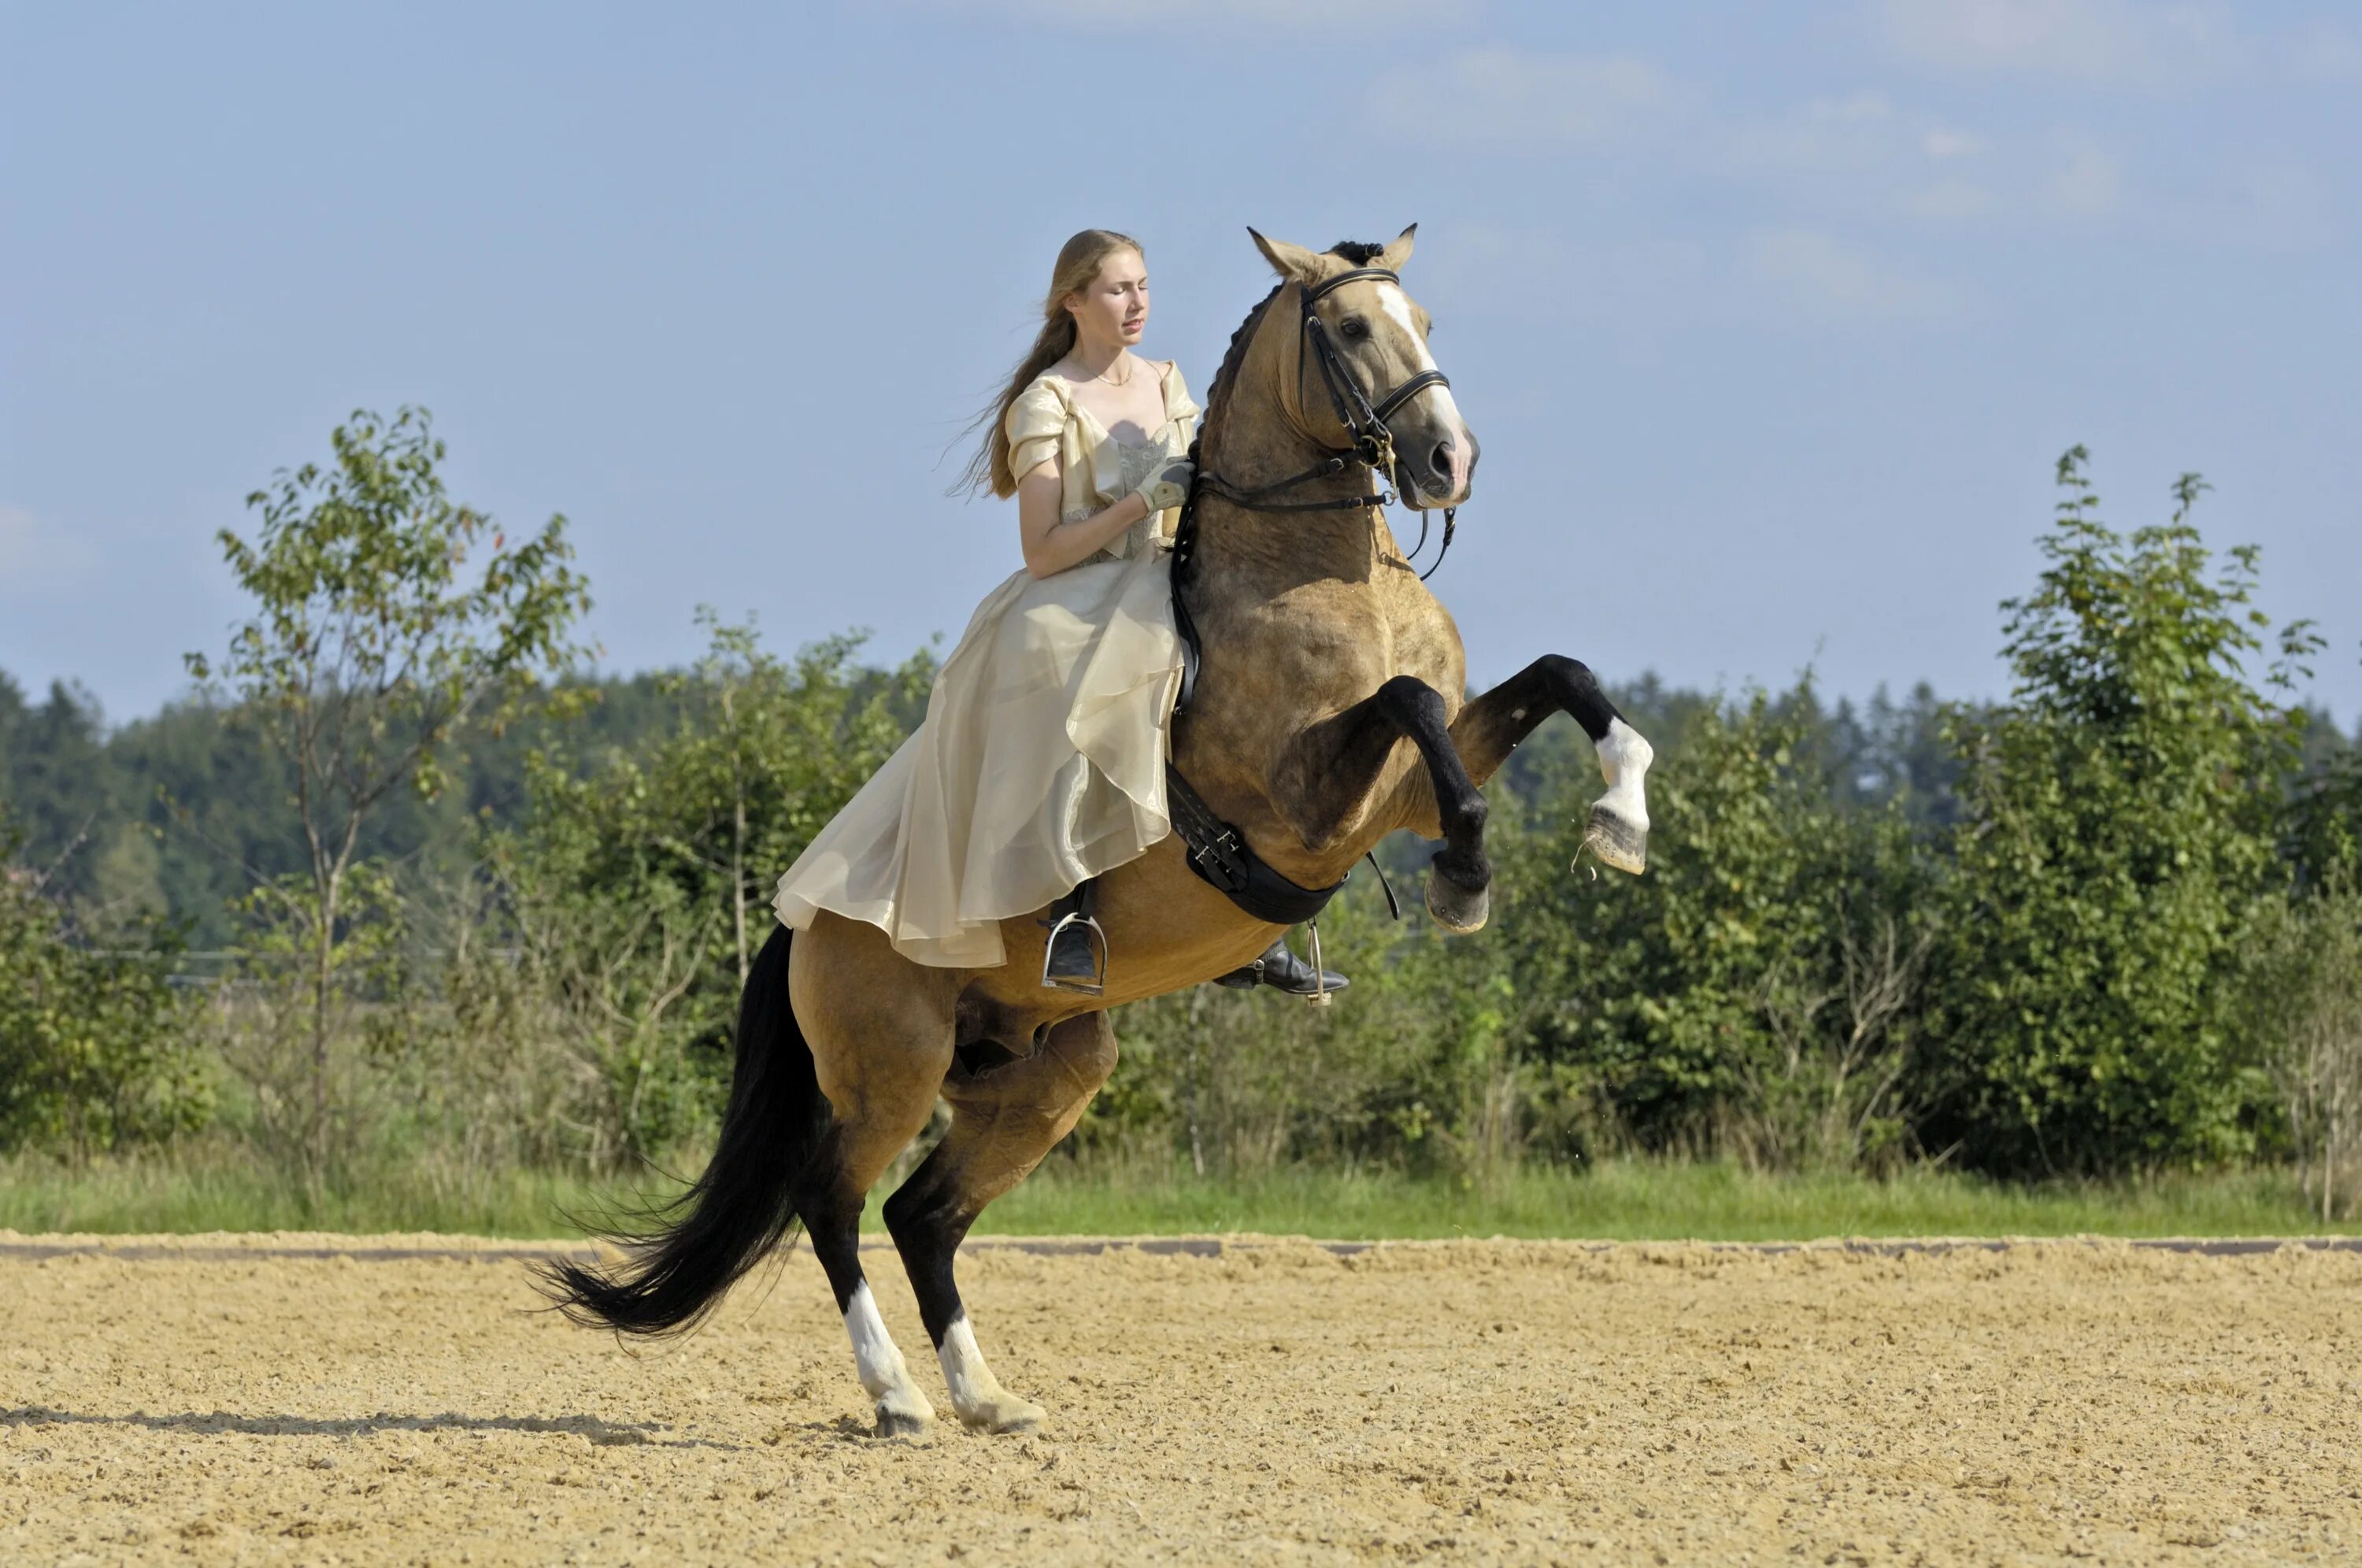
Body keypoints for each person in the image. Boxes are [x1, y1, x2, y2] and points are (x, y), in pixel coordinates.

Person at [772, 228, 1345, 997]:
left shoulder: (1169, 381)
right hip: (1077, 586)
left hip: (1172, 569)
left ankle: (1249, 921)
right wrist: (1142, 502)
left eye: (1143, 285)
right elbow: (1042, 551)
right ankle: (1072, 915)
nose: (1137, 302)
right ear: (1073, 301)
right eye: (1117, 289)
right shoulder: (1045, 405)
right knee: (1072, 669)